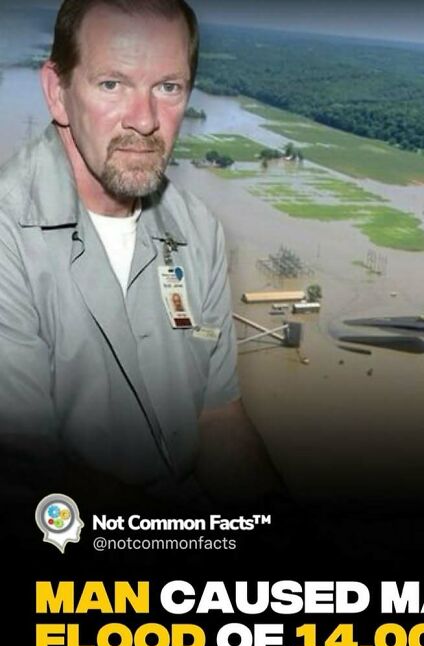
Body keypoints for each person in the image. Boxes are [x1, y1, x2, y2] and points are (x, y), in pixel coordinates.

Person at [0, 0, 280, 506]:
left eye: (168, 88)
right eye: (112, 84)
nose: (146, 121)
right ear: (57, 93)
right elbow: (27, 473)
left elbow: (217, 419)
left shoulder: (198, 230)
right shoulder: (8, 237)